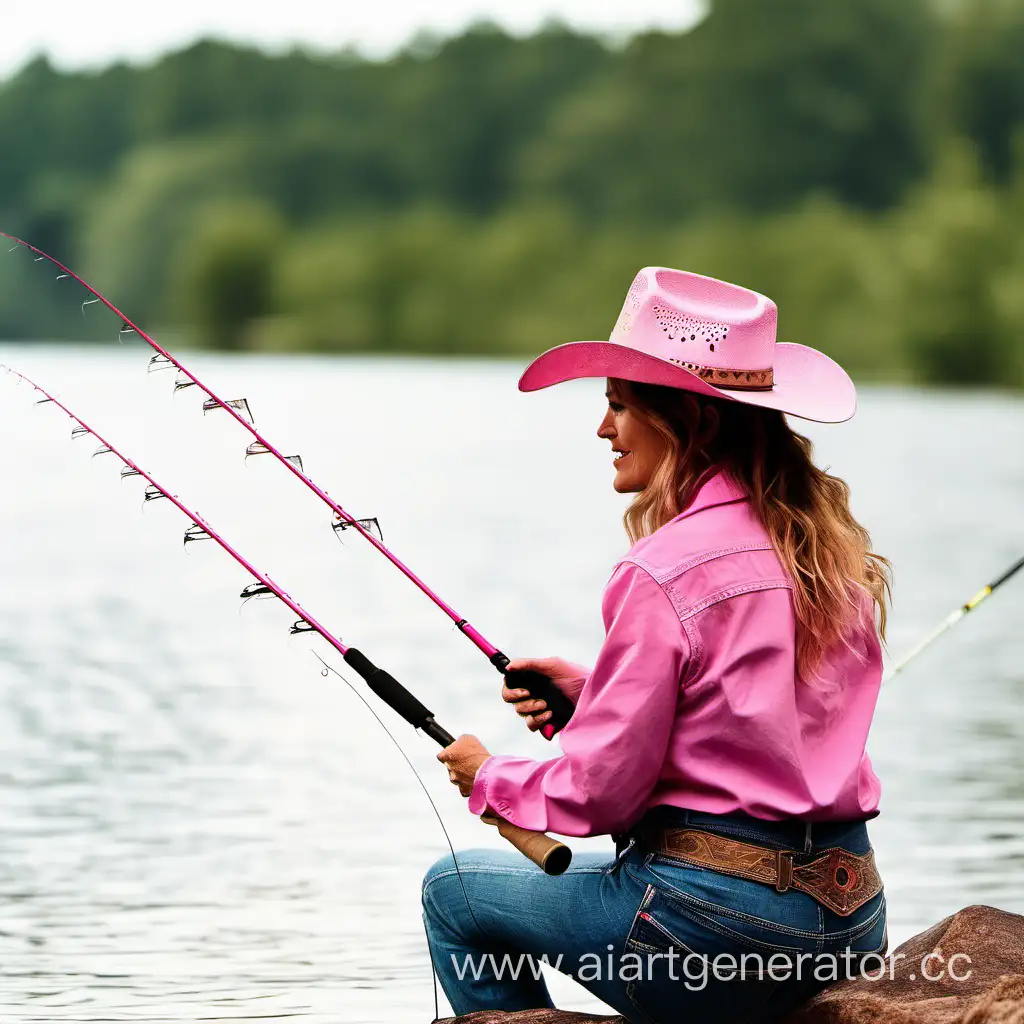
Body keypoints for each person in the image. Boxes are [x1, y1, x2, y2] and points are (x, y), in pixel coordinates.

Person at [425, 267, 891, 1024]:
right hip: (848, 920)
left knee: (454, 892)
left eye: (617, 406)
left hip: (719, 933)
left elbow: (599, 796)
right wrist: (596, 697)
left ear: (685, 421)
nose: (603, 430)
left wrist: (489, 777)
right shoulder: (832, 555)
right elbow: (759, 737)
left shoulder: (661, 569)